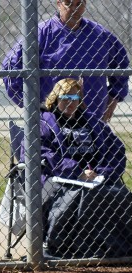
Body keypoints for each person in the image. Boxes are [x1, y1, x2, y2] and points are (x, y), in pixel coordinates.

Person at [31, 78, 132, 258]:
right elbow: (41, 153)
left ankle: (117, 248)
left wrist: (102, 173)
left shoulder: (92, 122)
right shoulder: (43, 123)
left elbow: (116, 149)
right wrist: (77, 172)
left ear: (79, 100)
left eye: (74, 98)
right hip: (62, 179)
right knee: (82, 195)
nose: (69, 102)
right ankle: (68, 248)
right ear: (55, 99)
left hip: (96, 177)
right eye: (64, 98)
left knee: (120, 194)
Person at [2, 0, 129, 122]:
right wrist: (29, 103)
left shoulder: (100, 35)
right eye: (68, 3)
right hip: (52, 119)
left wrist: (114, 97)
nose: (74, 9)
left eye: (79, 3)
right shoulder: (41, 33)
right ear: (59, 4)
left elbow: (121, 65)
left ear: (85, 4)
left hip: (93, 117)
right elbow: (10, 66)